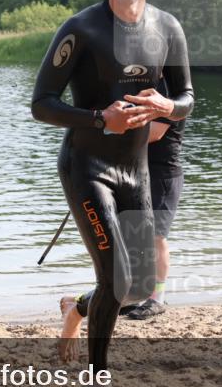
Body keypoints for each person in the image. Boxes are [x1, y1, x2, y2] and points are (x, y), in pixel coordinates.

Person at [31, 0, 194, 370]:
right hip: (87, 166)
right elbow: (41, 104)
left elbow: (187, 98)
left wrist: (167, 107)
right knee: (115, 278)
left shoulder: (168, 29)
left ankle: (75, 310)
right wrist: (102, 119)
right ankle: (97, 377)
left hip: (135, 171)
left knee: (138, 287)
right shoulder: (81, 29)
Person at [58, 94, 186, 360]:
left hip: (160, 173)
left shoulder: (165, 89)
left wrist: (104, 129)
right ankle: (78, 305)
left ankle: (156, 298)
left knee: (156, 237)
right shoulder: (132, 85)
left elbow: (156, 133)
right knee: (118, 266)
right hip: (126, 172)